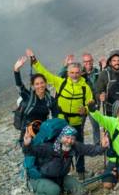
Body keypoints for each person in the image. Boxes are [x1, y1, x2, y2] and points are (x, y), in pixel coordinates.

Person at [26, 48, 93, 178]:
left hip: (76, 122)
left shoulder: (86, 87)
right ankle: (62, 172)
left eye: (77, 72)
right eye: (72, 72)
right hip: (61, 123)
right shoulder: (60, 82)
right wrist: (34, 60)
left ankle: (80, 171)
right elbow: (44, 73)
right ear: (67, 72)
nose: (74, 75)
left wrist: (85, 109)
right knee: (58, 148)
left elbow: (90, 103)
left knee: (78, 146)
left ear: (81, 72)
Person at [22, 125, 109, 195]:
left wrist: (102, 147)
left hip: (60, 178)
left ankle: (59, 191)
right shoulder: (49, 148)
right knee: (54, 192)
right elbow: (31, 152)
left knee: (81, 191)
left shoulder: (74, 146)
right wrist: (27, 144)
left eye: (72, 138)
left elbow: (89, 149)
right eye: (67, 137)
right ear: (61, 137)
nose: (69, 141)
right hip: (41, 178)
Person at [61, 53, 102, 146]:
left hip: (92, 104)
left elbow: (103, 81)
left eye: (89, 61)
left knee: (95, 125)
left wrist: (104, 67)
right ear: (83, 62)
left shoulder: (97, 72)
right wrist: (66, 66)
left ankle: (97, 145)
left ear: (92, 61)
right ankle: (79, 145)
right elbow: (62, 77)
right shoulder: (78, 72)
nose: (88, 63)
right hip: (80, 105)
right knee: (80, 127)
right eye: (85, 61)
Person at [13, 56, 57, 143]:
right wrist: (16, 70)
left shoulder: (50, 99)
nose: (40, 86)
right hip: (27, 133)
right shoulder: (28, 97)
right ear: (33, 86)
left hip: (42, 132)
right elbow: (19, 86)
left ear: (46, 83)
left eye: (42, 83)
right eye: (37, 84)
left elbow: (56, 114)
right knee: (30, 151)